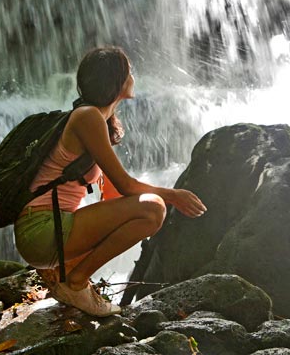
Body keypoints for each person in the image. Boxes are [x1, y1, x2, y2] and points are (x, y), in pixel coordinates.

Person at [14, 46, 206, 317]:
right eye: (129, 70)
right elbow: (128, 187)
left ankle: (69, 277)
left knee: (142, 207)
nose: (133, 75)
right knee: (153, 208)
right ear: (115, 80)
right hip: (42, 230)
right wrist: (173, 195)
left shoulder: (95, 119)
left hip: (49, 233)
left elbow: (116, 192)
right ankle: (76, 282)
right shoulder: (87, 117)